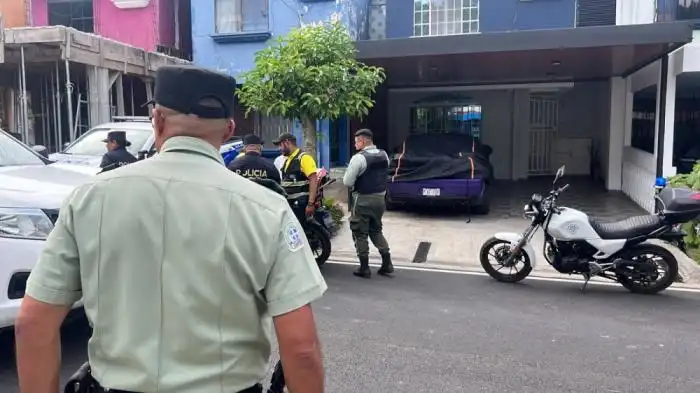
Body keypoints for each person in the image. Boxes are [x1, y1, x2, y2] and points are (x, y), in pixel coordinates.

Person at [15, 65, 327, 393]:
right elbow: (302, 349)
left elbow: (33, 324)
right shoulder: (269, 210)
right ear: (228, 130)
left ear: (158, 121)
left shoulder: (89, 199)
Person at [343, 128, 394, 279]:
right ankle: (387, 263)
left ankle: (364, 267)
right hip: (380, 199)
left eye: (356, 141)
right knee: (376, 229)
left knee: (360, 233)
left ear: (363, 141)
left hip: (363, 200)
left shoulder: (358, 158)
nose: (354, 144)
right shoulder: (384, 155)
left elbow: (347, 181)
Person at [274, 132, 319, 223]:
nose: (279, 149)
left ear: (287, 142)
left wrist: (310, 204)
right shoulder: (289, 159)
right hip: (292, 205)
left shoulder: (304, 158)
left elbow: (313, 180)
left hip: (301, 205)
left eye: (280, 145)